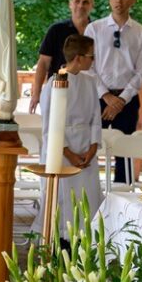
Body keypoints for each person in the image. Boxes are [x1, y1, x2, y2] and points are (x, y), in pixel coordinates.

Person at [85, 0, 142, 182]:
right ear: (109, 0)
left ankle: (123, 201)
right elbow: (88, 66)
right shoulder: (94, 29)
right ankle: (90, 194)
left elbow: (141, 72)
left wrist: (121, 99)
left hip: (127, 101)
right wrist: (105, 95)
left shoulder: (141, 32)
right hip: (97, 98)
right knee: (91, 147)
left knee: (125, 152)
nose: (118, 1)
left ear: (132, 0)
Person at [39, 35, 101, 232]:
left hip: (86, 150)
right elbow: (50, 124)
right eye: (91, 56)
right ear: (78, 58)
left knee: (87, 199)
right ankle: (60, 242)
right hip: (61, 150)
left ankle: (85, 242)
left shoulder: (90, 82)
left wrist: (92, 148)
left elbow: (95, 118)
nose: (93, 60)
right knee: (62, 201)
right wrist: (69, 154)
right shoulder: (54, 83)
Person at [29, 0, 95, 112]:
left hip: (86, 93)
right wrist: (36, 93)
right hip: (58, 89)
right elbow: (43, 62)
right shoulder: (56, 30)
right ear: (70, 4)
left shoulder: (97, 31)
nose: (81, 5)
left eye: (85, 2)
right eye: (77, 1)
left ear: (92, 5)